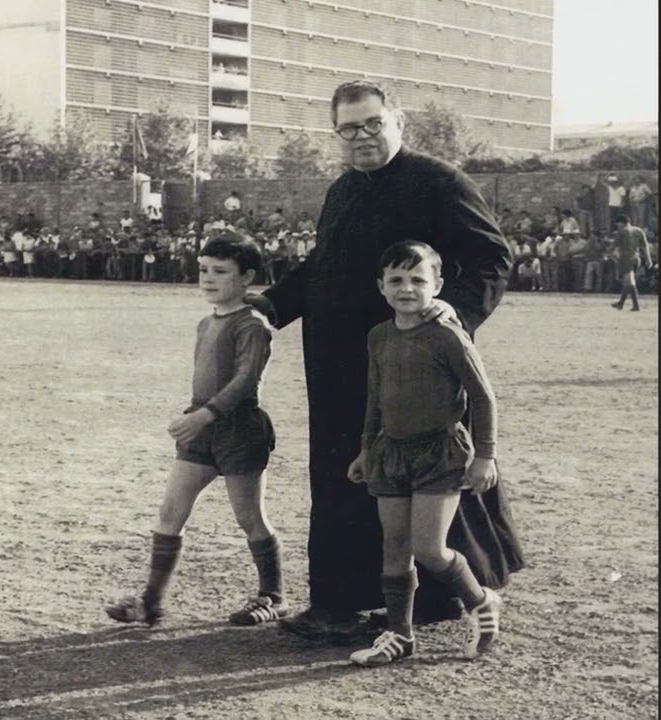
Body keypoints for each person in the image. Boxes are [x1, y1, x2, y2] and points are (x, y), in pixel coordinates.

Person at [249, 79, 524, 643]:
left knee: (425, 464)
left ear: (398, 122)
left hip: (415, 362)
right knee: (343, 476)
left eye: (373, 124)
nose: (362, 137)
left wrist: (452, 320)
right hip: (336, 362)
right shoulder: (342, 192)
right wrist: (267, 308)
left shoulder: (439, 182)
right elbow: (320, 269)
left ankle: (442, 593)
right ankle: (340, 602)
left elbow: (493, 257)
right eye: (349, 129)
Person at [105, 233, 288, 627]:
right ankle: (151, 602)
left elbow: (244, 383)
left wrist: (202, 416)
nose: (208, 278)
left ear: (247, 277)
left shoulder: (253, 325)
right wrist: (197, 418)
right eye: (203, 270)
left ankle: (274, 595)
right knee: (171, 511)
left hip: (239, 429)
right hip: (201, 429)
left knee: (249, 517)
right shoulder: (207, 322)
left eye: (220, 272)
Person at [343, 241, 504, 667]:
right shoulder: (379, 336)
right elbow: (374, 400)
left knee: (430, 548)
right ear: (381, 286)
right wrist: (365, 450)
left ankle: (480, 601)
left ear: (438, 285)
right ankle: (399, 634)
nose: (407, 288)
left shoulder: (448, 335)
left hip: (440, 453)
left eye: (418, 279)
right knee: (394, 547)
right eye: (396, 280)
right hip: (390, 453)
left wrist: (485, 456)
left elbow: (483, 398)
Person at [609, 214, 653, 311]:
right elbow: (645, 246)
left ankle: (636, 305)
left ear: (621, 223)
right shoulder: (639, 230)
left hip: (626, 259)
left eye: (617, 223)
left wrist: (611, 256)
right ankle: (621, 303)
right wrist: (648, 258)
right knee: (627, 282)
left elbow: (613, 247)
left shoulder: (621, 232)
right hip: (636, 259)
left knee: (630, 282)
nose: (617, 225)